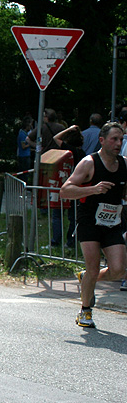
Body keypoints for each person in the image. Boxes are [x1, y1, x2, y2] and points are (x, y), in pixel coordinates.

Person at [60, 122, 127, 328]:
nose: (118, 143)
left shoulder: (124, 164)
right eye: (114, 139)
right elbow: (65, 190)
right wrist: (93, 190)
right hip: (89, 221)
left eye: (121, 139)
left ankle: (88, 279)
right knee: (93, 267)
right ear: (102, 141)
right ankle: (85, 311)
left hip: (113, 222)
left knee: (118, 270)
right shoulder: (89, 163)